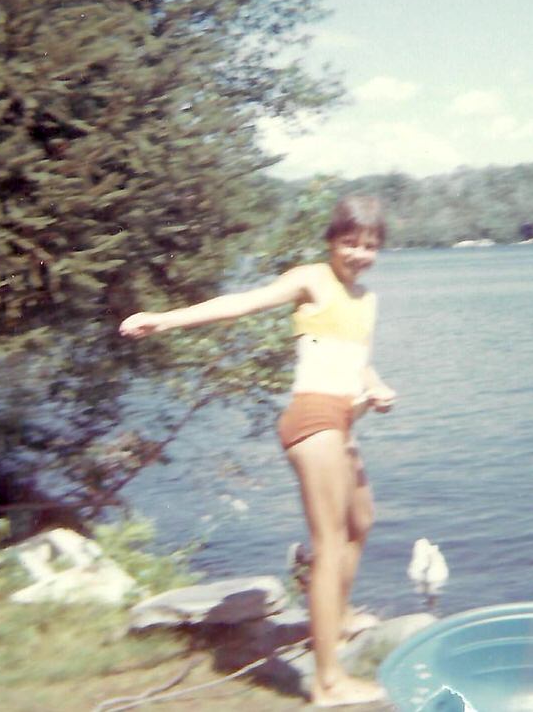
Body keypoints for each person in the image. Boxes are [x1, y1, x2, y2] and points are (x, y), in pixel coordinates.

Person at [119, 195, 395, 707]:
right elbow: (241, 302)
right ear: (332, 241)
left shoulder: (368, 300)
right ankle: (327, 680)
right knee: (330, 539)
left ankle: (339, 614)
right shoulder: (312, 278)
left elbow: (356, 364)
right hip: (312, 420)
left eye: (370, 245)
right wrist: (163, 319)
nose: (359, 253)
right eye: (350, 243)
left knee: (361, 521)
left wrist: (376, 388)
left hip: (343, 421)